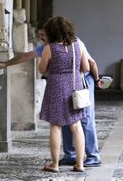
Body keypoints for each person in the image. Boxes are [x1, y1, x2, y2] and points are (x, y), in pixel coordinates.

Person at [0, 27, 104, 167]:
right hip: (71, 82)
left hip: (82, 81)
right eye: (40, 35)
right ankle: (71, 155)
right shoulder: (49, 46)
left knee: (84, 119)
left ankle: (93, 156)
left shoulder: (75, 43)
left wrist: (96, 79)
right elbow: (26, 56)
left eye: (43, 35)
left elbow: (91, 63)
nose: (41, 38)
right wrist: (6, 64)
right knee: (67, 118)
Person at [38, 16, 89, 173]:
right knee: (76, 125)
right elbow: (86, 67)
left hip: (56, 86)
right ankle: (80, 163)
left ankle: (55, 164)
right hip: (74, 85)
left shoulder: (50, 48)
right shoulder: (77, 45)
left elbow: (41, 69)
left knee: (56, 125)